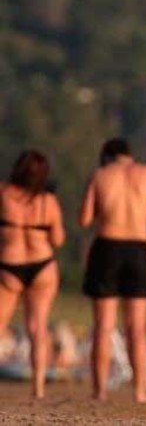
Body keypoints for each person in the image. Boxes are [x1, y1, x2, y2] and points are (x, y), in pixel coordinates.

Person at [79, 137, 146, 402]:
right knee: (137, 327)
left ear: (107, 157)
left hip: (107, 245)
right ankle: (140, 391)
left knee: (104, 325)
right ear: (129, 155)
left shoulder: (100, 175)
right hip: (139, 247)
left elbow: (84, 219)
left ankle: (100, 390)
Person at [0, 151, 65, 399]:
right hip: (42, 264)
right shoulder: (48, 201)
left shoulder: (4, 194)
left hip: (9, 264)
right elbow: (58, 240)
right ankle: (38, 387)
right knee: (38, 328)